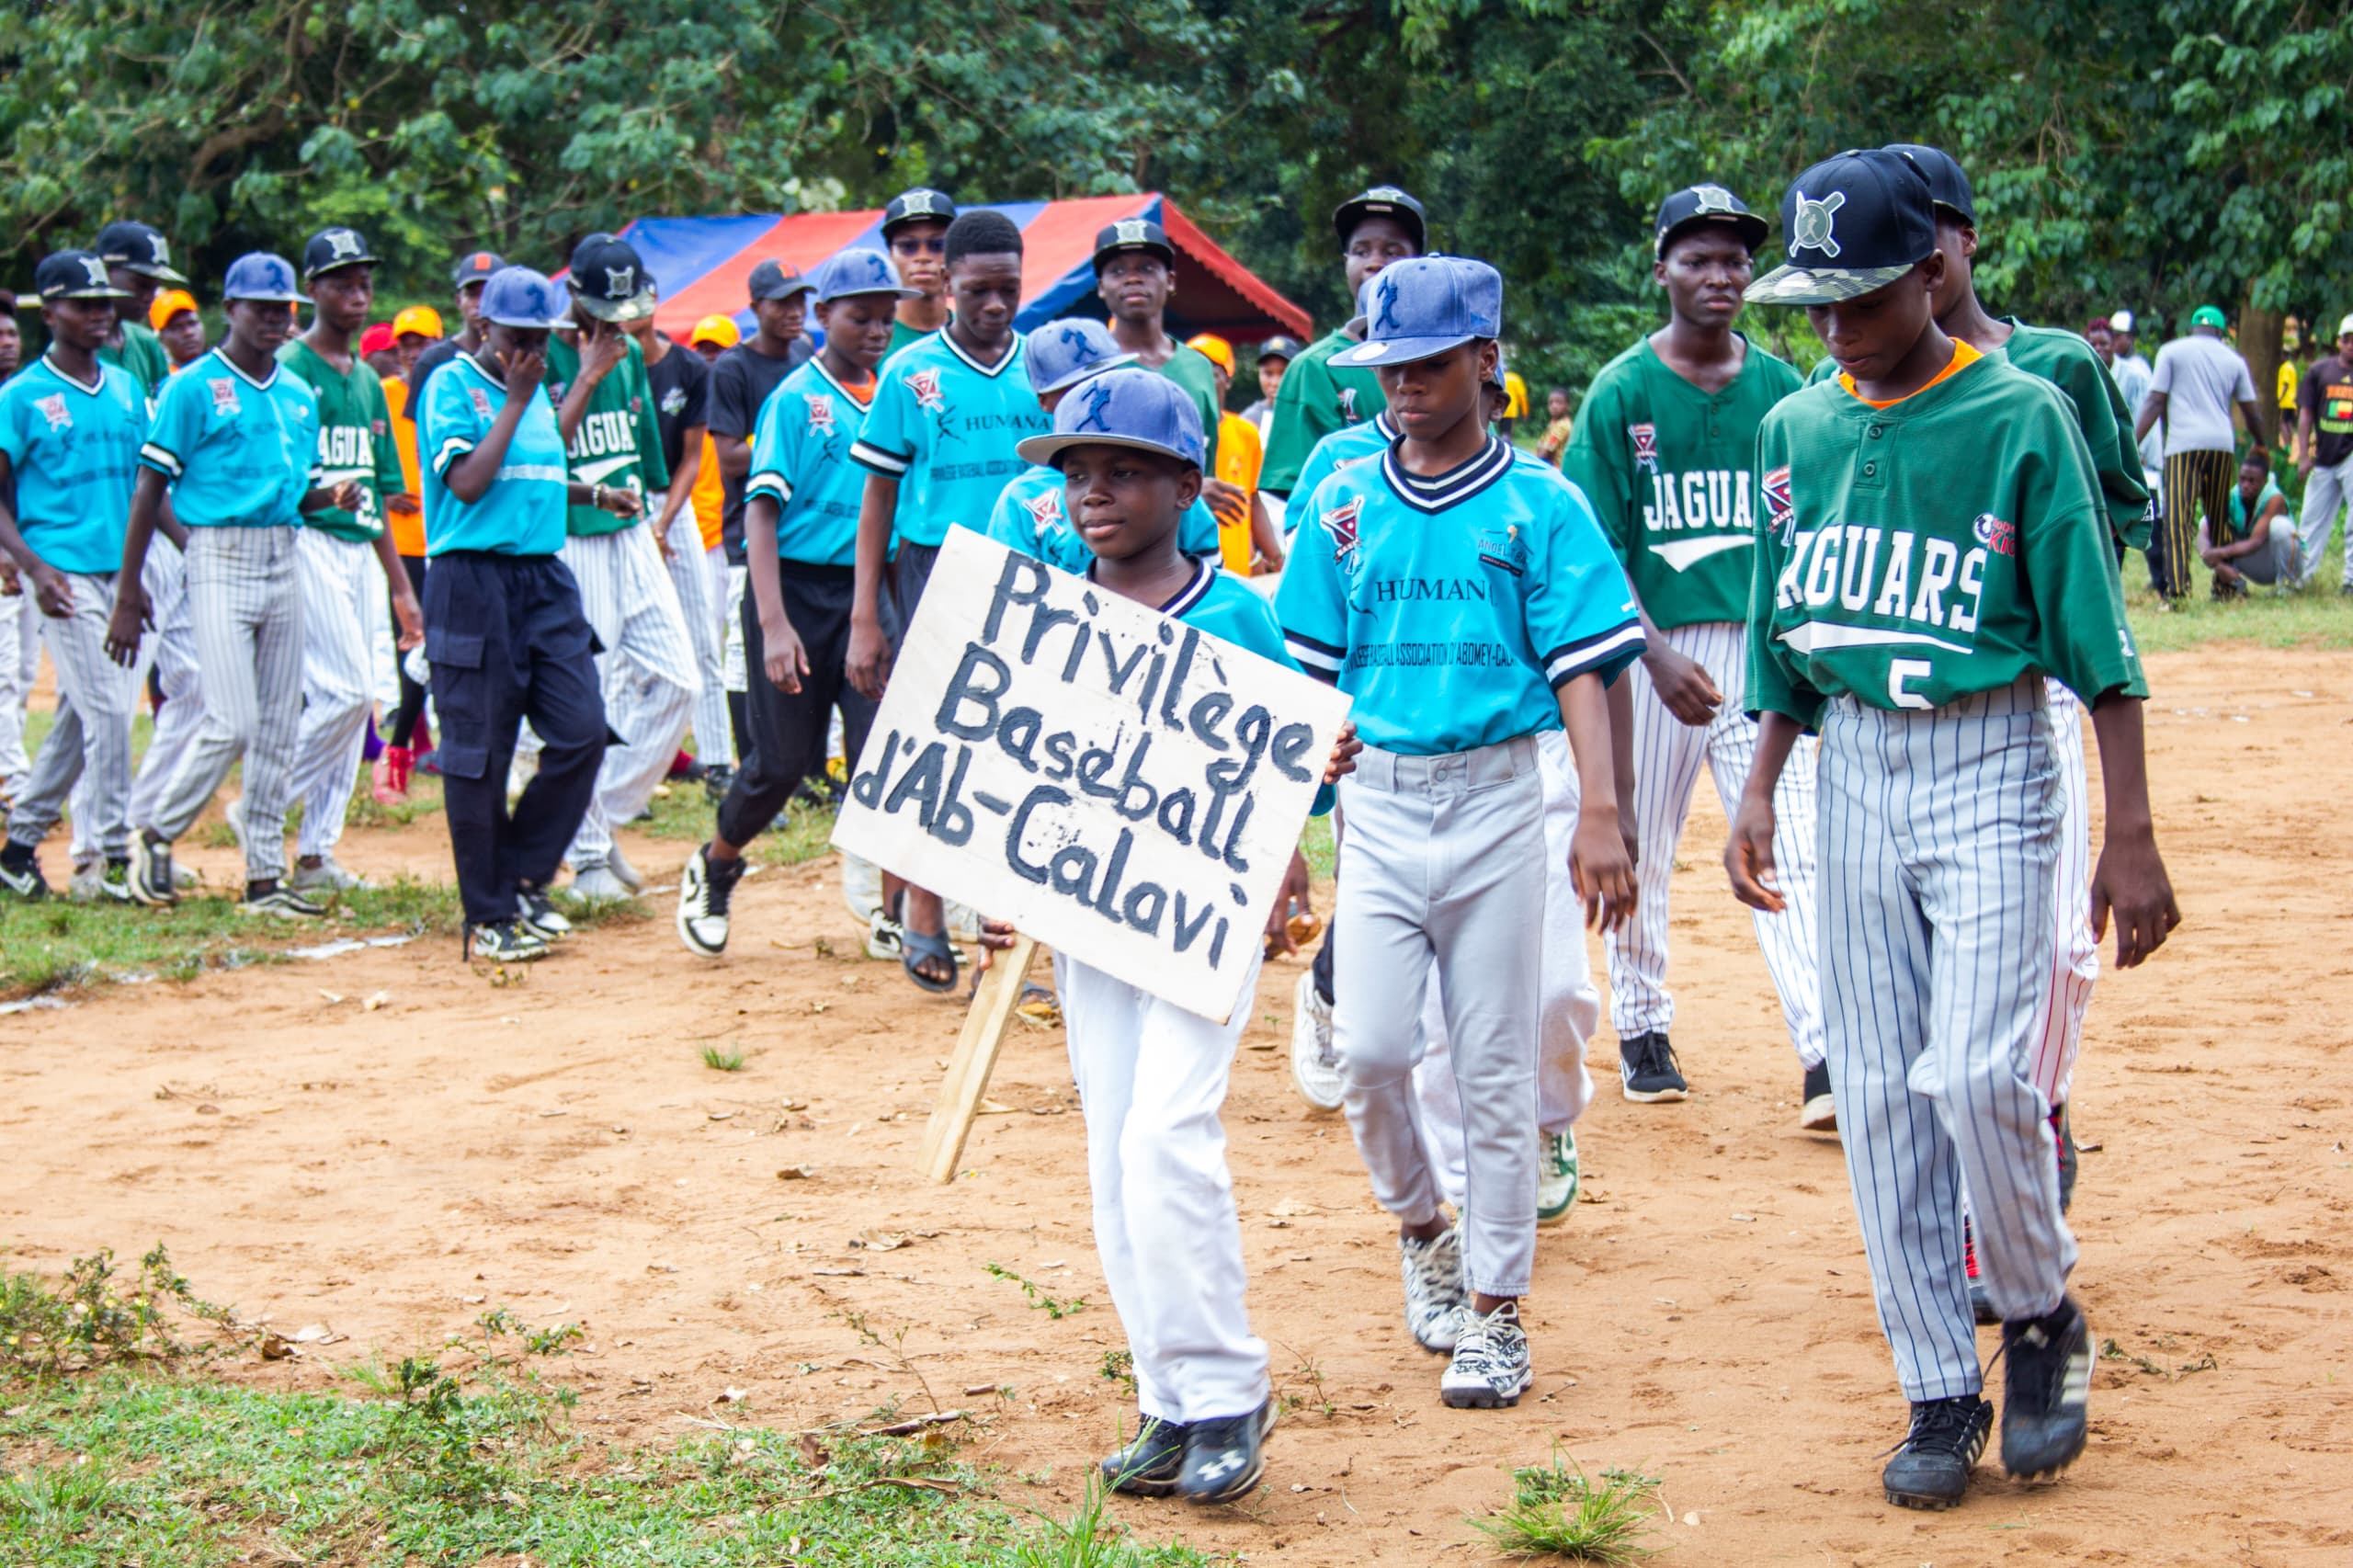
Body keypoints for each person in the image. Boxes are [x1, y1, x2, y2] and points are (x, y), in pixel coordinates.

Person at [1735, 147, 2178, 1510]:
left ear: (1935, 269)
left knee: (1983, 1073)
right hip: (1850, 762)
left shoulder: (2022, 412)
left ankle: (2040, 1313)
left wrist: (2133, 830)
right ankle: (1936, 1382)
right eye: (1812, 303)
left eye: (1859, 297)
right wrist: (1757, 784)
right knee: (1873, 1092)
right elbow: (1783, 633)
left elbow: (2097, 645)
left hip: (1991, 751)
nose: (1833, 327)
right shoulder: (1795, 430)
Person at [1278, 256, 1643, 1410]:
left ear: (1487, 359)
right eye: (1388, 368)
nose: (1405, 388)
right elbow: (1307, 673)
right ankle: (1421, 1226)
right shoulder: (1342, 503)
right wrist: (1312, 760)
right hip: (1380, 806)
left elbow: (1586, 668)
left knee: (1490, 1070)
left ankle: (1496, 1312)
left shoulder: (1541, 502)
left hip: (1498, 799)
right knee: (1373, 1052)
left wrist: (1601, 808)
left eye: (1430, 364)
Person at [1013, 366, 1358, 1504]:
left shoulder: (1235, 612)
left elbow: (1283, 778)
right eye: (1075, 472)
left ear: (1189, 488)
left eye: (1122, 471)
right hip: (1087, 911)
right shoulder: (1056, 600)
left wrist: (1310, 776)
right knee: (1116, 1154)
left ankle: (1225, 1390)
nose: (1091, 493)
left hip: (1199, 910)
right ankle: (1164, 1393)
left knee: (1168, 1134)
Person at [1881, 146, 2153, 1286]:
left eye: (1933, 233)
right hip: (1910, 711)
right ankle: (1982, 1184)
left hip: (2030, 694)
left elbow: (2112, 515)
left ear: (1966, 240)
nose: (1919, 260)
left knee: (2050, 942)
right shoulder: (1861, 385)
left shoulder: (2051, 369)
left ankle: (2033, 1112)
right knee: (1937, 961)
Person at [1566, 183, 1827, 1120]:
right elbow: (1590, 551)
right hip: (1647, 650)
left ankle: (1824, 1050)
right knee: (1643, 839)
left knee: (1789, 842)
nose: (1720, 276)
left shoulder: (1784, 392)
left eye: (1734, 259)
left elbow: (1810, 535)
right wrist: (1652, 651)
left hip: (1759, 651)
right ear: (1661, 270)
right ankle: (1640, 1025)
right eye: (1698, 258)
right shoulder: (1622, 391)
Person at [675, 247, 921, 956]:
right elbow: (759, 512)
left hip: (868, 593)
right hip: (791, 588)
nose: (876, 330)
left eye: (885, 318)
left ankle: (891, 911)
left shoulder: (893, 395)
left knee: (883, 752)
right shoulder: (795, 399)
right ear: (822, 316)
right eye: (860, 317)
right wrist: (774, 625)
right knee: (782, 762)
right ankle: (717, 865)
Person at [108, 252, 359, 916]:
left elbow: (295, 493)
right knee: (232, 719)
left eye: (285, 310)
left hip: (285, 551)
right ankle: (154, 833)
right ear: (233, 309)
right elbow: (149, 487)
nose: (278, 320)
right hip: (215, 554)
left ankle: (264, 879)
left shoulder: (297, 395)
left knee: (279, 724)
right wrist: (129, 592)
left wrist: (329, 494)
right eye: (263, 308)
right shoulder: (192, 386)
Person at [848, 209, 1051, 992]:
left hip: (1035, 573)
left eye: (1009, 289)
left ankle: (1017, 937)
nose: (995, 306)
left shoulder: (1044, 363)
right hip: (936, 568)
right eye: (979, 291)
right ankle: (925, 904)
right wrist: (866, 615)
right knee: (943, 743)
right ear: (945, 283)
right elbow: (877, 493)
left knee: (1026, 751)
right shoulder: (909, 373)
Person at [417, 266, 632, 961]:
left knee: (581, 732)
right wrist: (515, 398)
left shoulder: (534, 387)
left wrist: (593, 495)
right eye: (519, 337)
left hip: (543, 579)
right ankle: (489, 915)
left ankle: (520, 875)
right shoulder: (451, 385)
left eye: (543, 340)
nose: (533, 352)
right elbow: (472, 483)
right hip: (470, 581)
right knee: (479, 756)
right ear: (484, 326)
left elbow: (534, 469)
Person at [544, 233, 693, 903]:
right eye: (603, 305)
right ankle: (589, 854)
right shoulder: (543, 349)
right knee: (592, 696)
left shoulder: (632, 351)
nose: (616, 320)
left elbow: (641, 449)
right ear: (573, 295)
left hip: (632, 530)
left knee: (681, 681)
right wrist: (588, 373)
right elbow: (542, 455)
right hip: (575, 535)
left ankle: (592, 817)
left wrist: (657, 520)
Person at [276, 226, 425, 893]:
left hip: (358, 551)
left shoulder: (367, 379)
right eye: (341, 282)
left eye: (363, 281)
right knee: (340, 693)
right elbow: (279, 481)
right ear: (313, 290)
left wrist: (400, 587)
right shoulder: (289, 370)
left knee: (360, 698)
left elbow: (380, 496)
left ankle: (315, 855)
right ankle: (264, 804)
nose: (357, 294)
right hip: (304, 541)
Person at [0, 253, 148, 903]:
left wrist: (176, 556)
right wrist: (31, 564)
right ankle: (110, 863)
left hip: (121, 571)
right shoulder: (21, 395)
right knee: (112, 712)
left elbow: (151, 487)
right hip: (61, 572)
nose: (98, 313)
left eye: (104, 302)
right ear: (50, 310)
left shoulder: (122, 386)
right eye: (83, 303)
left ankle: (15, 850)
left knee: (77, 716)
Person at [983, 317, 1221, 571]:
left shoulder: (1161, 482)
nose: (1097, 393)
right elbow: (1004, 592)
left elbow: (1207, 578)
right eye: (1075, 387)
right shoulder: (1022, 497)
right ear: (1043, 400)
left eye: (1107, 379)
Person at [707, 259, 819, 769]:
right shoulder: (733, 367)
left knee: (808, 648)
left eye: (800, 300)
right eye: (782, 302)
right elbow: (727, 454)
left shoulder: (804, 354)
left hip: (805, 527)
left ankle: (811, 762)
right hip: (748, 527)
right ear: (755, 308)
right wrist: (789, 448)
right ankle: (750, 757)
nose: (794, 312)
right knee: (741, 653)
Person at [624, 282, 732, 796]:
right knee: (624, 651)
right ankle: (629, 769)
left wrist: (665, 521)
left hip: (675, 500)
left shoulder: (687, 368)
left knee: (703, 641)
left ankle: (717, 763)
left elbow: (692, 456)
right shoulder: (604, 366)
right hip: (618, 503)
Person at [1259, 187, 1425, 502]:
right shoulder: (1314, 369)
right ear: (1346, 261)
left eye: (1392, 251)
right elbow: (1285, 498)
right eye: (1362, 251)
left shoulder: (1454, 361)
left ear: (1418, 263)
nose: (1375, 262)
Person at [2137, 305, 2260, 599]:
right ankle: (2225, 589)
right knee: (2219, 517)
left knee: (2179, 521)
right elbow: (2251, 410)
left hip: (2183, 446)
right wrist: (2261, 442)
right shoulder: (2234, 359)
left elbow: (2155, 401)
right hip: (2221, 446)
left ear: (2192, 328)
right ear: (2220, 332)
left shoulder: (2171, 351)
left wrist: (2132, 442)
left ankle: (2178, 593)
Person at [375, 303, 441, 801]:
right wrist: (382, 493)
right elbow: (366, 462)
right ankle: (406, 746)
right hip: (401, 542)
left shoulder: (445, 391)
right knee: (411, 644)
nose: (413, 351)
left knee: (442, 645)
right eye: (406, 343)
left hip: (444, 535)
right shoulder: (384, 395)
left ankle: (421, 744)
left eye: (422, 342)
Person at [1184, 331, 1282, 573]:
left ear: (1227, 380)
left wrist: (1276, 558)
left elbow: (1254, 500)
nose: (1201, 381)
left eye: (1211, 373)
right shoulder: (1172, 434)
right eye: (1194, 372)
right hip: (1190, 574)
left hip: (1236, 575)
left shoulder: (1245, 432)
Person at [404, 251, 505, 423]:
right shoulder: (433, 361)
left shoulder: (513, 358)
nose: (480, 303)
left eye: (489, 294)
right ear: (459, 301)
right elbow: (421, 432)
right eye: (473, 295)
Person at [2292, 313, 2353, 589]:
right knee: (2310, 520)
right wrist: (2304, 456)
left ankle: (2350, 580)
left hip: (2351, 454)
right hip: (2325, 455)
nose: (2351, 345)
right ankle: (2299, 579)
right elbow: (2305, 415)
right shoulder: (2320, 372)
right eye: (2347, 339)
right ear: (2339, 342)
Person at [90, 221, 180, 394]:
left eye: (154, 288)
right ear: (106, 273)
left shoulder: (146, 343)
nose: (149, 297)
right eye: (141, 285)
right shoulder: (78, 348)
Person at [2202, 449, 2296, 592]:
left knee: (2280, 526)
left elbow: (2255, 542)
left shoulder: (2275, 498)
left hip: (2285, 560)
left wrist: (2219, 553)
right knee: (2206, 521)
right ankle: (2233, 585)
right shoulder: (2233, 495)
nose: (2245, 485)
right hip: (2259, 563)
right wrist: (2212, 559)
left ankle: (2288, 585)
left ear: (2264, 481)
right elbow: (2203, 532)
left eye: (2252, 481)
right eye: (2242, 479)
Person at [881, 187, 956, 358]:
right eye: (908, 246)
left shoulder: (976, 334)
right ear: (891, 256)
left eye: (937, 245)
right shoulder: (870, 341)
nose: (923, 257)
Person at [1242, 335, 1302, 440]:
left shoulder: (1307, 414)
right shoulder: (1249, 420)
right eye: (1268, 374)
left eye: (1283, 373)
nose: (1275, 383)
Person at [150, 290, 206, 371]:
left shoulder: (223, 369)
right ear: (161, 338)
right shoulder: (165, 381)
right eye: (176, 328)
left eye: (192, 323)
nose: (188, 333)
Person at [1535, 388, 1573, 466]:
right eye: (1551, 403)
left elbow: (1545, 452)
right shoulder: (1555, 423)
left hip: (1556, 469)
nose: (1554, 406)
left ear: (1568, 406)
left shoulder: (1562, 426)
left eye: (1559, 402)